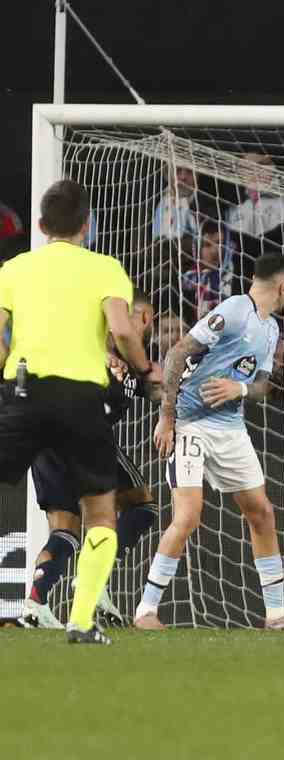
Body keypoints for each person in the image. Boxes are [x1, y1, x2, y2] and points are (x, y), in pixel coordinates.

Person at [0, 179, 158, 644]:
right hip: (81, 401)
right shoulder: (105, 268)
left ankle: (46, 603)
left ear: (43, 225)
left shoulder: (13, 268)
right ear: (86, 226)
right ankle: (82, 620)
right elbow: (124, 332)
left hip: (24, 392)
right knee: (102, 513)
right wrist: (143, 367)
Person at [136, 254, 284, 631]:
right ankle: (146, 611)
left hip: (231, 429)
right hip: (191, 424)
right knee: (188, 515)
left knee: (261, 513)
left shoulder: (272, 329)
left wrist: (239, 387)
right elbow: (178, 352)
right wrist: (167, 417)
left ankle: (276, 615)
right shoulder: (233, 310)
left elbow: (262, 385)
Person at [19, 293, 162, 630]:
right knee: (141, 506)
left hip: (45, 445)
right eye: (148, 320)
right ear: (139, 318)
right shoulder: (94, 350)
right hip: (81, 438)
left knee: (65, 530)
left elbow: (155, 388)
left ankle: (34, 604)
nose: (148, 329)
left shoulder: (127, 363)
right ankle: (93, 585)